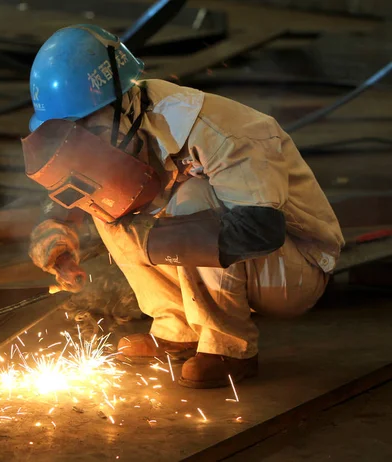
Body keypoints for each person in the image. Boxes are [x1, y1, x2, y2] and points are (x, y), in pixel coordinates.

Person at [21, 24, 344, 389]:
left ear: (120, 101)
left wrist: (149, 240)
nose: (79, 138)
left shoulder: (221, 132)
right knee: (110, 202)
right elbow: (80, 191)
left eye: (82, 125)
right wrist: (57, 235)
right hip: (253, 253)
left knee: (194, 201)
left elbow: (259, 230)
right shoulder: (121, 122)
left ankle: (228, 348)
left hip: (294, 267)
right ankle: (177, 332)